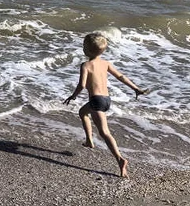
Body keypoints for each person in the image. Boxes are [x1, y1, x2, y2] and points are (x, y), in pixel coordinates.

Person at [63, 32, 148, 178]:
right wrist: (136, 88)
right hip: (107, 99)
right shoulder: (106, 63)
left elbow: (82, 85)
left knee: (105, 133)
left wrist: (73, 96)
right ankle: (89, 141)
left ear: (87, 50)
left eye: (84, 46)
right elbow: (121, 76)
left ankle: (120, 159)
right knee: (82, 112)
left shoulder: (86, 65)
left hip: (96, 101)